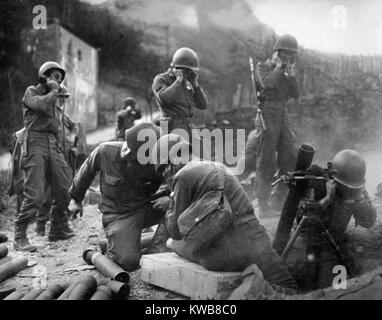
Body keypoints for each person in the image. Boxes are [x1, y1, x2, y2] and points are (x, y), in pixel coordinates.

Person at [151, 133, 297, 290]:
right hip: (256, 240)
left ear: (170, 161)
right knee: (287, 284)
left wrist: (170, 203)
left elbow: (175, 231)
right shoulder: (218, 166)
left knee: (172, 243)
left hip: (222, 255)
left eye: (164, 169)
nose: (166, 175)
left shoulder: (183, 176)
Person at [68, 123, 170, 271]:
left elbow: (177, 179)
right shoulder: (105, 152)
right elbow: (86, 171)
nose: (125, 153)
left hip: (147, 207)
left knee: (178, 206)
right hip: (118, 215)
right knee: (128, 262)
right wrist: (76, 199)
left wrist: (170, 198)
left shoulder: (156, 159)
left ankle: (156, 249)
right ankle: (115, 246)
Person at [273, 149, 376, 289]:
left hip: (334, 243)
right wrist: (327, 199)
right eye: (346, 187)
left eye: (352, 187)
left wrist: (358, 199)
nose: (348, 190)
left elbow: (369, 221)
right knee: (289, 273)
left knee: (334, 286)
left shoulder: (355, 186)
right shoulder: (318, 181)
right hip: (307, 239)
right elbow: (303, 216)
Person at [14, 61, 74, 251]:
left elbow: (57, 126)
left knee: (66, 187)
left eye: (60, 78)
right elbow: (39, 106)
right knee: (35, 195)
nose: (58, 81)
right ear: (45, 76)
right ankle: (20, 236)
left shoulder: (54, 99)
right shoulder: (31, 92)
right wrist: (53, 92)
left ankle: (57, 227)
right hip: (35, 142)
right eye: (55, 76)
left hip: (51, 143)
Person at [254, 35, 300, 217]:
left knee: (289, 156)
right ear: (277, 53)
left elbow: (295, 93)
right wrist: (279, 67)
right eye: (285, 54)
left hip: (283, 113)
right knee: (266, 159)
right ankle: (262, 203)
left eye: (291, 55)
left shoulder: (286, 71)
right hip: (267, 112)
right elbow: (267, 84)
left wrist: (291, 72)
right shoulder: (262, 67)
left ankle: (278, 198)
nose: (288, 57)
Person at [152, 47, 208, 141]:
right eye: (186, 70)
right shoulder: (161, 79)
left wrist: (195, 85)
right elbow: (164, 99)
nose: (188, 73)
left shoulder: (187, 83)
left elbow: (203, 105)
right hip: (170, 129)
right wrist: (178, 81)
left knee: (203, 152)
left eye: (190, 71)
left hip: (187, 127)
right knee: (178, 154)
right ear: (176, 68)